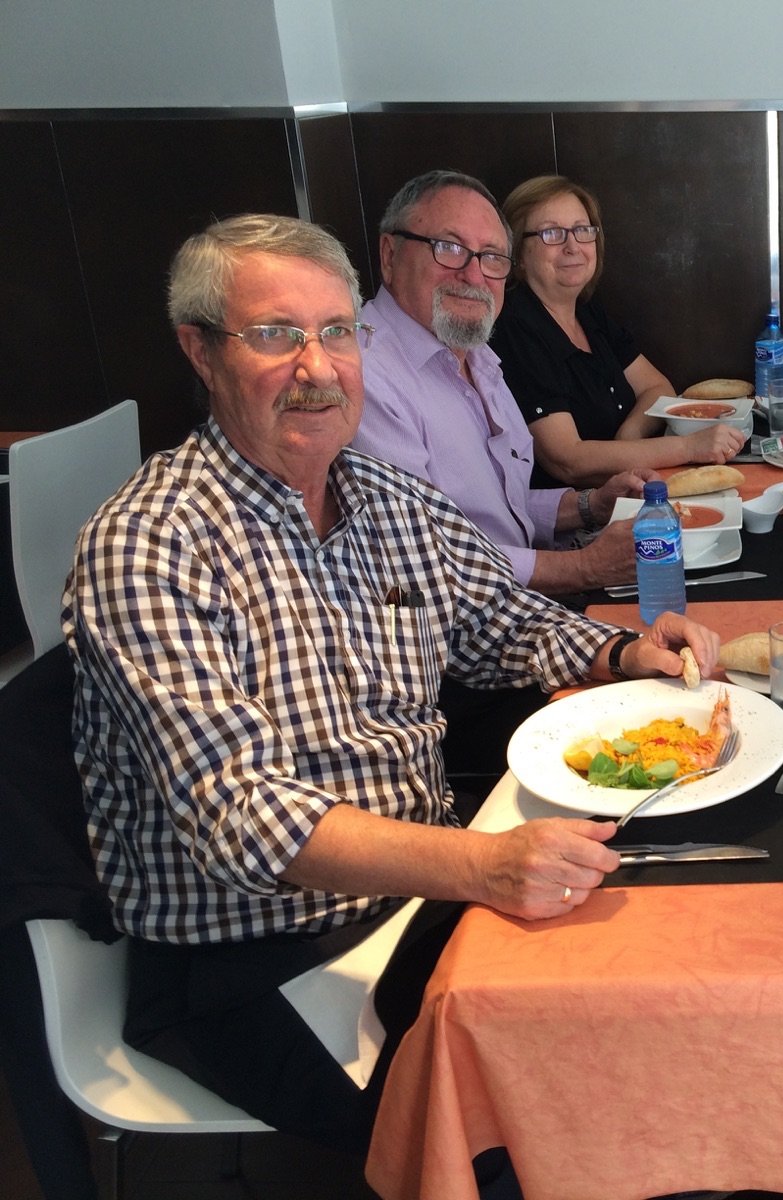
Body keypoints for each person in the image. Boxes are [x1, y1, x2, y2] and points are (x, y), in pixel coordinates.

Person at [65, 213, 718, 1162]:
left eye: (337, 332)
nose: (318, 367)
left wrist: (621, 655)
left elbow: (505, 620)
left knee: (644, 1030)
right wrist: (483, 867)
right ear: (200, 353)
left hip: (419, 892)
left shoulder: (381, 497)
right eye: (275, 335)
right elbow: (245, 818)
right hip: (253, 956)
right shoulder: (149, 542)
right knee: (513, 1145)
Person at [352, 169, 645, 596]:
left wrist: (589, 505)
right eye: (448, 249)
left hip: (517, 607)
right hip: (459, 640)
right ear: (390, 255)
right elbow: (423, 555)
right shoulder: (363, 373)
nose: (474, 276)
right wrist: (585, 567)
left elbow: (496, 508)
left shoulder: (476, 353)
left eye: (491, 257)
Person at [489, 174, 746, 488]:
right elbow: (566, 460)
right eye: (552, 233)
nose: (573, 246)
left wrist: (630, 438)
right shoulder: (515, 327)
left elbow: (658, 387)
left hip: (627, 491)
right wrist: (689, 447)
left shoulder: (586, 310)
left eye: (582, 230)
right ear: (518, 254)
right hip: (574, 521)